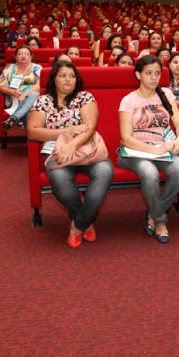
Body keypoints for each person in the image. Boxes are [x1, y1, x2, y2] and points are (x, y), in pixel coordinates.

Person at [27, 62, 113, 248]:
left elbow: (89, 129)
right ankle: (85, 220)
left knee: (105, 172)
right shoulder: (44, 101)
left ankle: (78, 225)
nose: (68, 79)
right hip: (57, 151)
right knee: (60, 180)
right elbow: (33, 131)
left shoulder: (85, 97)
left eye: (72, 76)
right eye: (63, 75)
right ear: (54, 79)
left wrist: (71, 144)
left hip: (86, 149)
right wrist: (68, 130)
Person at [118, 56, 179, 243]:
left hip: (163, 146)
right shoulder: (129, 100)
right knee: (149, 173)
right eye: (148, 73)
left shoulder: (166, 94)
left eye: (157, 73)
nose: (154, 77)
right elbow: (126, 138)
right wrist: (155, 151)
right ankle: (160, 220)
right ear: (138, 74)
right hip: (134, 150)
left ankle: (153, 214)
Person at [0, 46, 42, 133]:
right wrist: (12, 92)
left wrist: (24, 95)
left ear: (31, 56)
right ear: (15, 57)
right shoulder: (9, 68)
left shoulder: (37, 68)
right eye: (20, 54)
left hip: (34, 98)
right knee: (29, 110)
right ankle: (31, 139)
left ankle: (13, 119)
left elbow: (39, 85)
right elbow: (1, 86)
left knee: (33, 95)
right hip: (15, 98)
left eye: (26, 54)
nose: (23, 56)